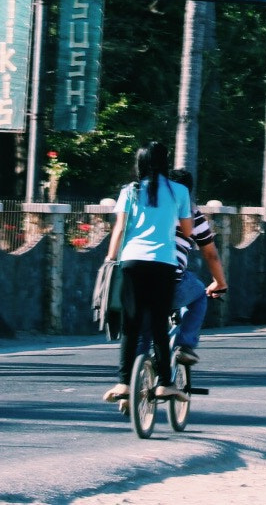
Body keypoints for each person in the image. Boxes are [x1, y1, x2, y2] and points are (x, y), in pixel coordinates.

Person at [102, 142, 192, 404]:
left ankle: (123, 384)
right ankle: (165, 384)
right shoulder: (179, 191)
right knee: (158, 325)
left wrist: (110, 258)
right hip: (164, 263)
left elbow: (119, 230)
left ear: (139, 163)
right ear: (165, 163)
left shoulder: (129, 191)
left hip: (131, 262)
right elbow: (186, 232)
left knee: (130, 325)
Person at [167, 169, 227, 365]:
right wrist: (219, 283)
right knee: (200, 293)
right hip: (171, 279)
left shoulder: (149, 205)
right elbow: (210, 254)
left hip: (138, 277)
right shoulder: (191, 213)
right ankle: (185, 345)